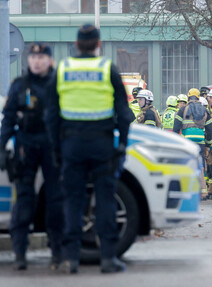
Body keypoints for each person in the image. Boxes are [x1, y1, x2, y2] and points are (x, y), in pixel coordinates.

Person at [45, 24, 134, 274]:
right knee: (105, 199)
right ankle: (107, 258)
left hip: (71, 144)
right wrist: (122, 145)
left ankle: (71, 259)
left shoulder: (63, 70)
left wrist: (56, 147)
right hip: (102, 144)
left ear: (75, 44)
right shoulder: (108, 69)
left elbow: (51, 115)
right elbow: (124, 114)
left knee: (73, 200)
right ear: (98, 44)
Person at [0, 43, 62, 271]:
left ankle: (57, 253)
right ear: (29, 60)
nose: (36, 61)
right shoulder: (19, 86)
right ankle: (20, 254)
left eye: (41, 57)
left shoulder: (59, 85)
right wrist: (1, 147)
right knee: (24, 201)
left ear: (49, 60)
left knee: (56, 201)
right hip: (25, 146)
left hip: (52, 147)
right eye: (33, 57)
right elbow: (7, 119)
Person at [173, 88, 212, 199]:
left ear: (188, 97)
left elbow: (175, 128)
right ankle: (203, 192)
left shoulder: (182, 110)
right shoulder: (205, 111)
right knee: (200, 166)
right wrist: (208, 146)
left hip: (187, 142)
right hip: (200, 141)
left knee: (187, 165)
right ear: (198, 97)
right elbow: (209, 130)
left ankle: (189, 191)